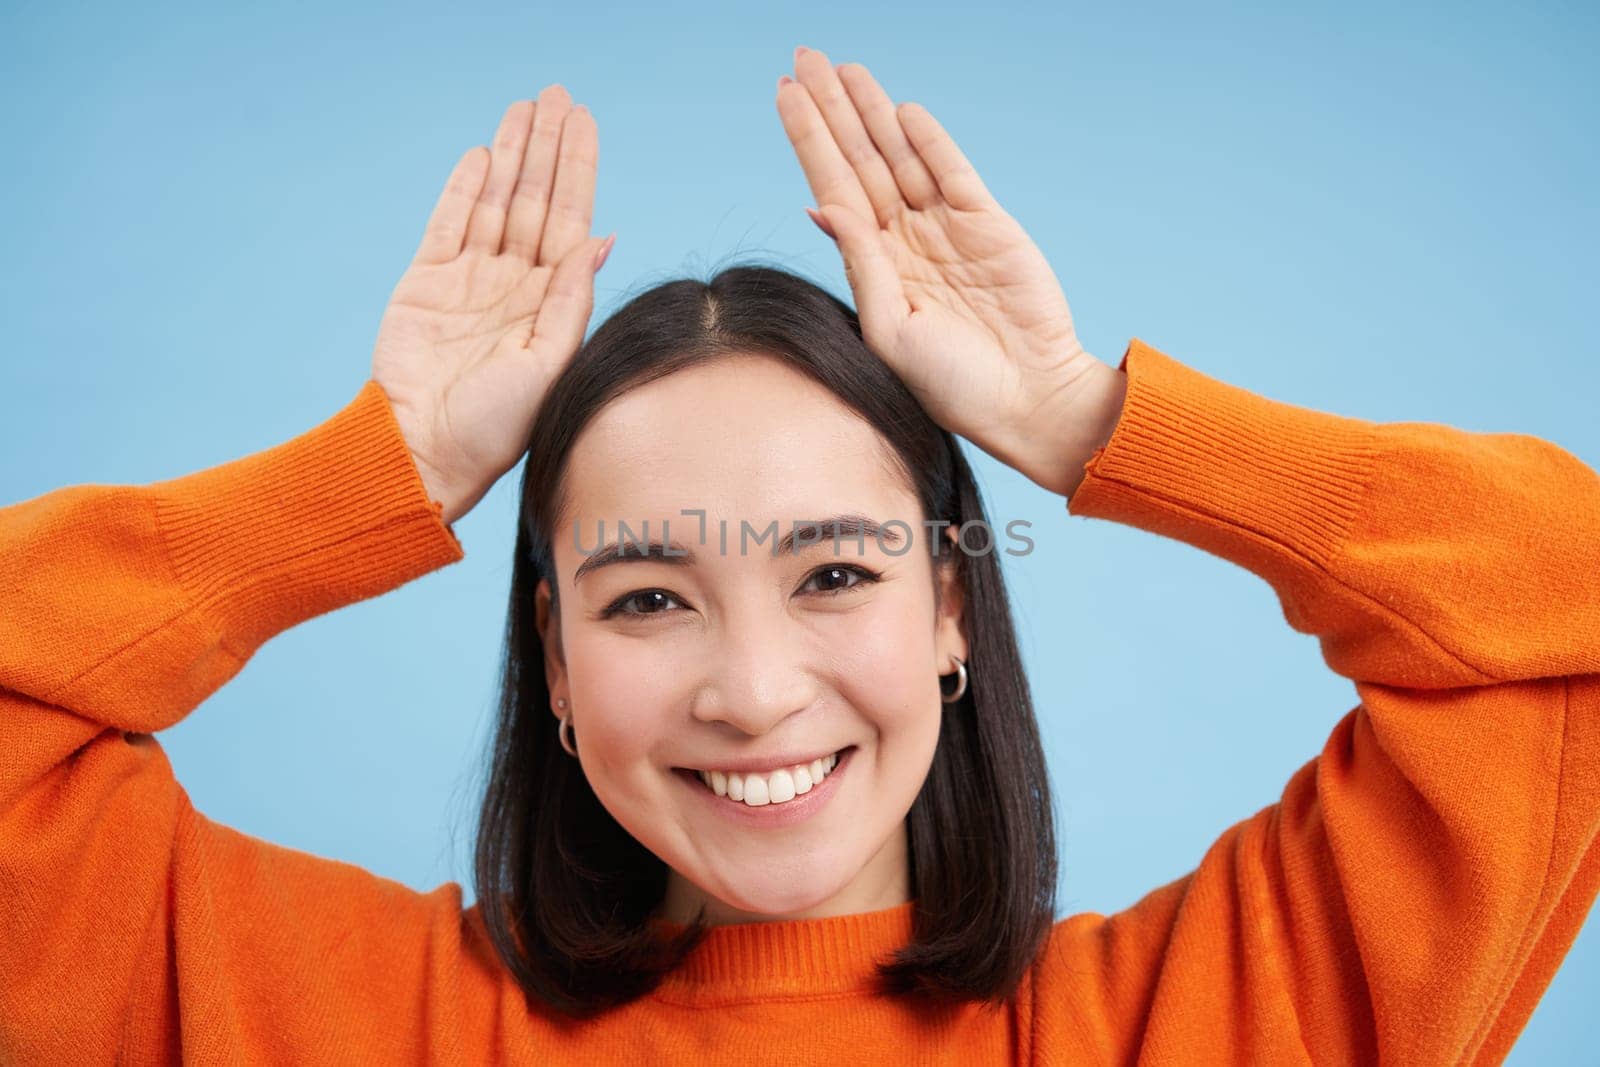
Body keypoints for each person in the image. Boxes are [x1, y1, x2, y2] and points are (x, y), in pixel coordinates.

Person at [2, 45, 1597, 1064]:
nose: (755, 692)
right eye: (644, 598)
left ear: (952, 606)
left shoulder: (1203, 1021)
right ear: (555, 661)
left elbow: (1569, 593)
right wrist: (377, 476)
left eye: (836, 572)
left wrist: (1086, 416)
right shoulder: (325, 1015)